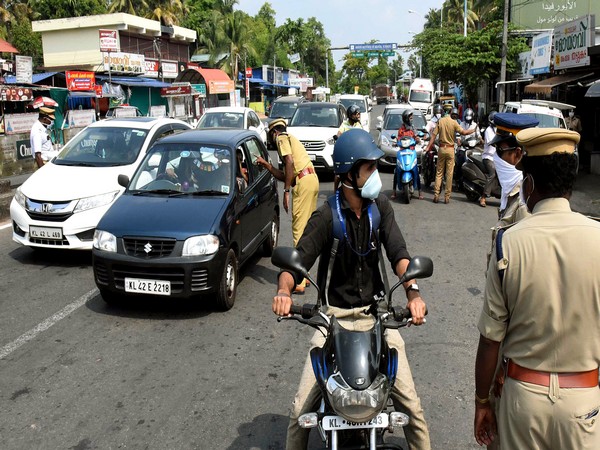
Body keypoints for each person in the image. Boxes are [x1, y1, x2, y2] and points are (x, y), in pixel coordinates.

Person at [273, 128, 431, 450]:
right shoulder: (326, 216)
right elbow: (295, 263)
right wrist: (284, 292)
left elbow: (400, 254)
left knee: (412, 408)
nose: (376, 174)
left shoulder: (380, 208)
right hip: (333, 320)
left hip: (378, 319)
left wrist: (413, 294)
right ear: (349, 173)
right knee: (299, 411)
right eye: (369, 168)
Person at [474, 127, 600, 450]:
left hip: (524, 400)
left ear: (528, 183)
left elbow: (490, 339)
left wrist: (481, 401)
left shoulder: (508, 243)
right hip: (584, 401)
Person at [256, 118, 319, 293]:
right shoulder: (290, 138)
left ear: (273, 132)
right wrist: (267, 165)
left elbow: (290, 163)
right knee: (306, 229)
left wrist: (285, 193)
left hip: (303, 183)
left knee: (298, 230)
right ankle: (304, 276)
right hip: (311, 180)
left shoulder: (281, 138)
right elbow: (287, 175)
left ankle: (298, 280)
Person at [489, 113, 539, 223]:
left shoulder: (524, 204)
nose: (495, 156)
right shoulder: (510, 189)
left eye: (499, 151)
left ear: (517, 154)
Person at [425, 107, 473, 204]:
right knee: (449, 174)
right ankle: (447, 197)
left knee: (439, 173)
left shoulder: (441, 121)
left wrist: (427, 147)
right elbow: (463, 132)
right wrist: (473, 130)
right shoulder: (454, 123)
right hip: (451, 149)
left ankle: (436, 195)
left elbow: (433, 136)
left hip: (442, 149)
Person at [392, 109, 423, 200]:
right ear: (406, 118)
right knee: (397, 170)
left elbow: (416, 135)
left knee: (416, 170)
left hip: (411, 151)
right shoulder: (401, 129)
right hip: (402, 151)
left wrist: (418, 139)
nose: (412, 119)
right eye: (410, 117)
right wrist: (396, 142)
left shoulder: (413, 128)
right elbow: (398, 138)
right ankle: (394, 191)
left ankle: (420, 191)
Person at [456, 107, 482, 191]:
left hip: (473, 149)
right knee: (460, 162)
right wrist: (459, 141)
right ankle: (458, 181)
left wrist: (482, 141)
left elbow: (478, 136)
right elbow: (458, 136)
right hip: (463, 148)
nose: (468, 121)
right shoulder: (461, 124)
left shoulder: (475, 126)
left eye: (469, 119)